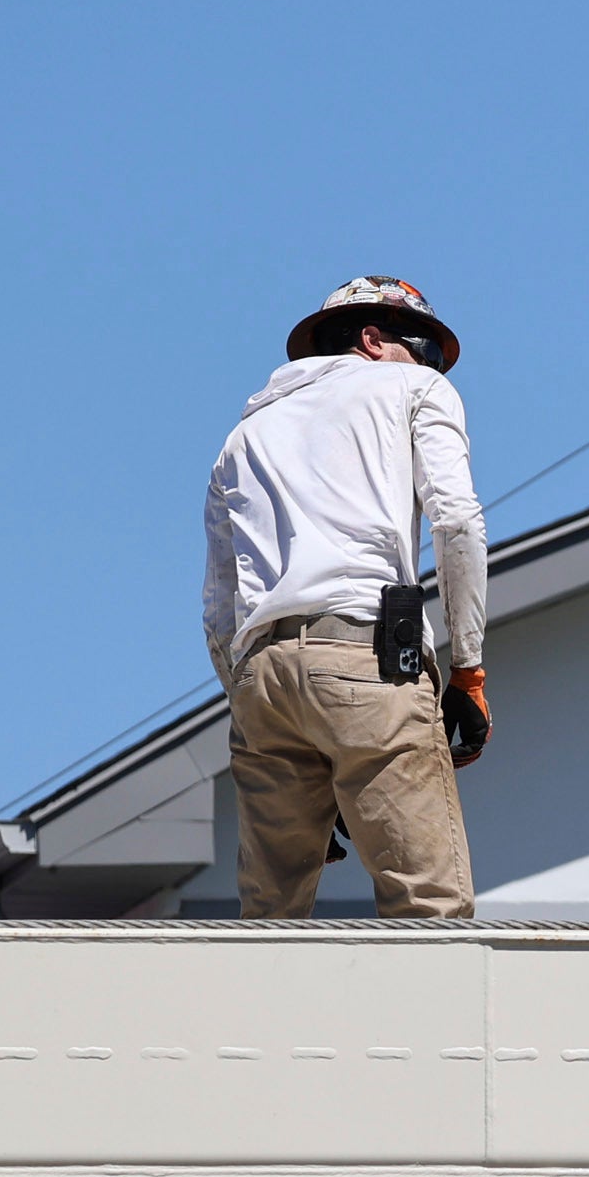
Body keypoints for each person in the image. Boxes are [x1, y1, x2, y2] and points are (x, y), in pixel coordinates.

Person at [202, 276, 491, 920]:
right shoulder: (412, 388)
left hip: (260, 680)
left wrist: (262, 706)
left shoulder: (244, 436)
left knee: (269, 918)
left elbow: (221, 605)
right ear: (373, 339)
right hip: (367, 658)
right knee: (429, 905)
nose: (434, 367)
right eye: (427, 350)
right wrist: (468, 670)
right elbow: (457, 523)